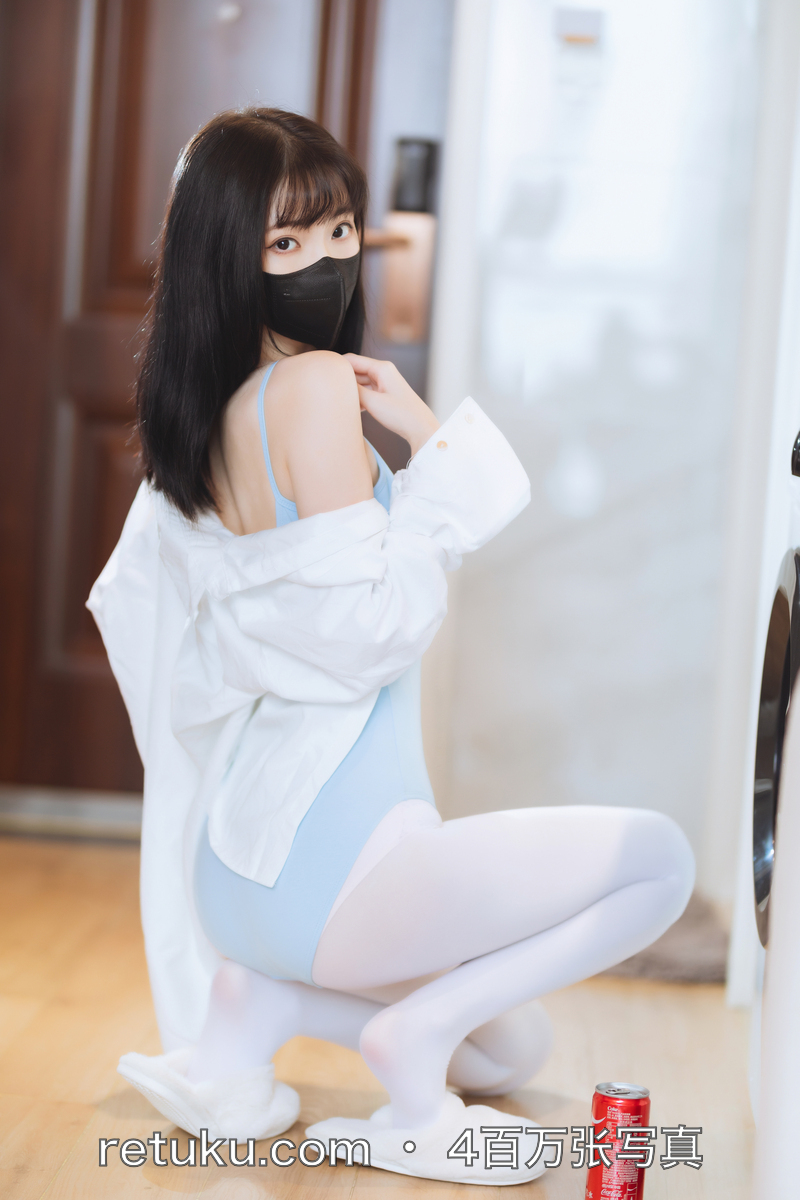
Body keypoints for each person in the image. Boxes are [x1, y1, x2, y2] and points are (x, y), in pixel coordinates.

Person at [89, 108, 694, 1185]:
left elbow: (310, 609)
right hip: (337, 863)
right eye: (285, 242)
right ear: (227, 257)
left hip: (243, 872)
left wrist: (420, 462)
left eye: (338, 230)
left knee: (511, 1050)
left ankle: (263, 1003)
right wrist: (429, 458)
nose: (324, 262)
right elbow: (367, 631)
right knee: (660, 862)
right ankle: (407, 1059)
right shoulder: (312, 387)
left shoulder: (204, 422)